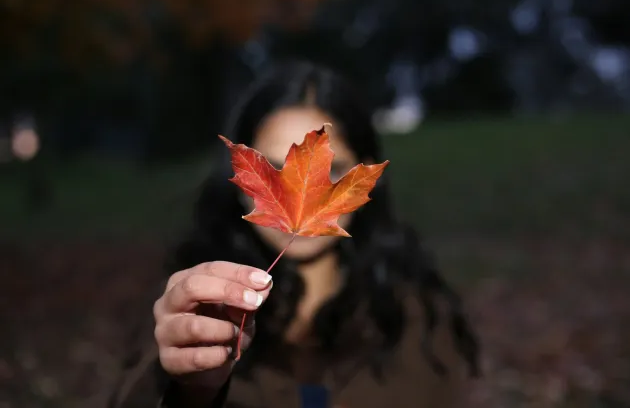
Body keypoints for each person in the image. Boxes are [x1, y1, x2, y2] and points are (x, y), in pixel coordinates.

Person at [108, 61, 480, 408]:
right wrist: (189, 391)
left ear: (365, 175)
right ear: (239, 179)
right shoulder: (196, 308)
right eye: (272, 169)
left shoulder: (416, 321)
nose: (299, 193)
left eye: (334, 170)